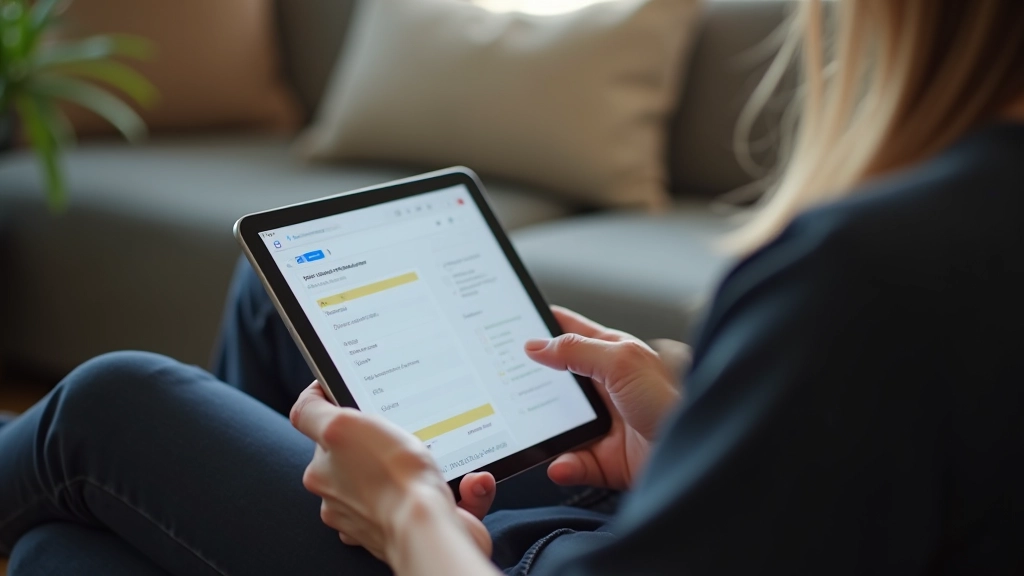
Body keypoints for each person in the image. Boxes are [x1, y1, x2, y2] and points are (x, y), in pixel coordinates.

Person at [2, 0, 1023, 573]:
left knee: (105, 414)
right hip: (610, 523)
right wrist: (691, 431)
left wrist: (408, 518)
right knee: (268, 299)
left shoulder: (863, 271)